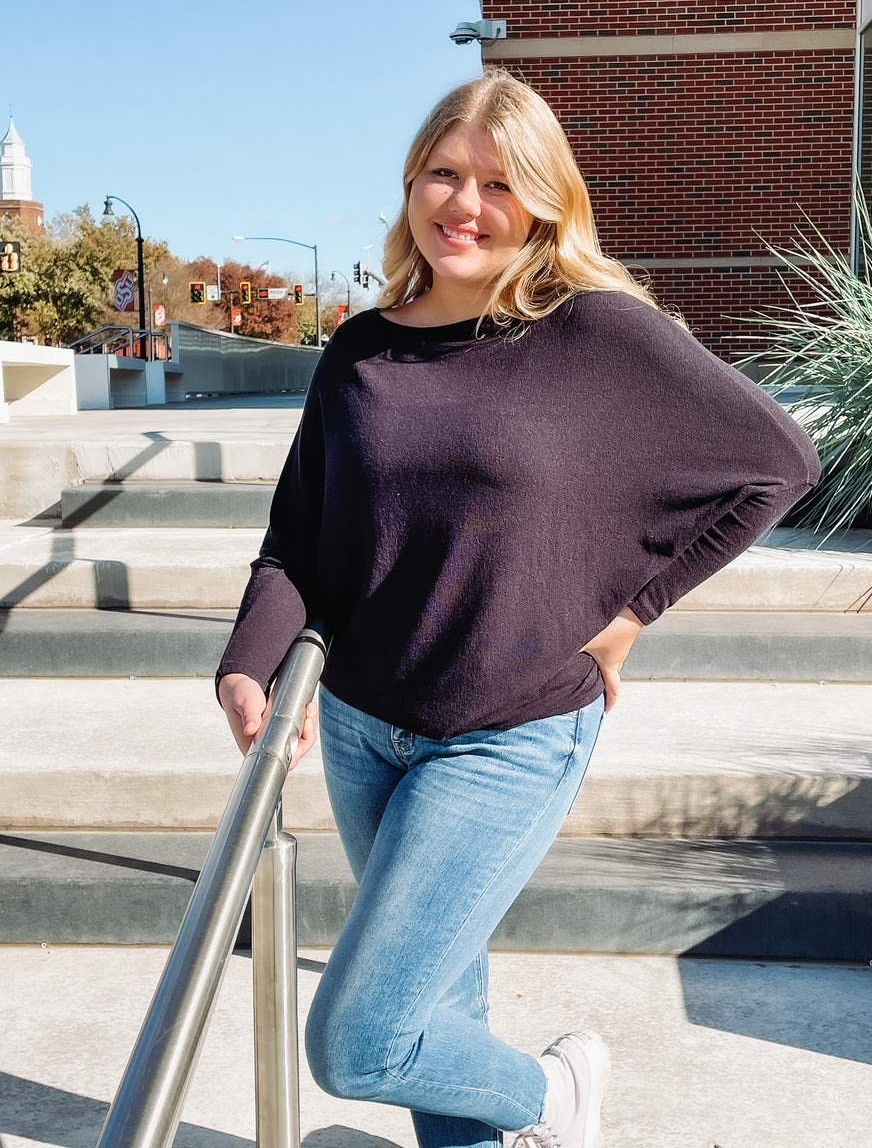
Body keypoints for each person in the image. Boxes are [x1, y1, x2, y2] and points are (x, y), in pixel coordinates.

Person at [217, 68, 820, 1148]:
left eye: (498, 182)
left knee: (362, 1038)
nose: (464, 203)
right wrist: (247, 660)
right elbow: (297, 541)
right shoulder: (360, 351)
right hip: (363, 727)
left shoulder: (595, 334)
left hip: (513, 729)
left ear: (543, 199)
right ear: (409, 187)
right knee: (442, 1005)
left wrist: (634, 611)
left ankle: (556, 1097)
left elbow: (779, 462)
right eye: (442, 174)